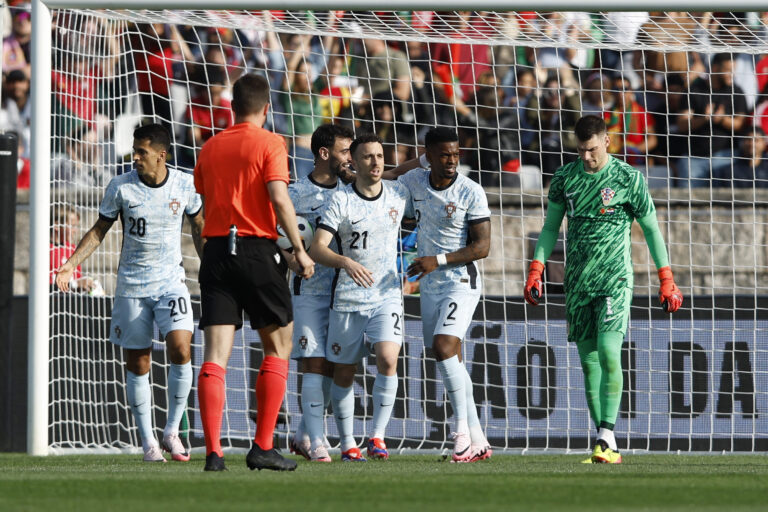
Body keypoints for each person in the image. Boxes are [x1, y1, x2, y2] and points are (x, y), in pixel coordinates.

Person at [524, 115, 684, 464]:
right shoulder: (565, 178)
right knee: (588, 362)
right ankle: (602, 441)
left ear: (607, 142)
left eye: (592, 150)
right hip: (577, 282)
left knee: (611, 352)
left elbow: (653, 231)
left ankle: (608, 437)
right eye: (580, 151)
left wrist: (666, 277)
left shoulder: (628, 179)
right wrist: (536, 269)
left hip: (615, 280)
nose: (586, 158)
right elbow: (550, 229)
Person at [54, 124, 205, 463]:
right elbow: (98, 231)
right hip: (133, 287)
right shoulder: (121, 187)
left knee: (181, 348)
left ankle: (171, 432)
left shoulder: (185, 184)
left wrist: (210, 268)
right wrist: (68, 265)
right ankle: (149, 441)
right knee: (138, 362)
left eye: (142, 153)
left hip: (171, 281)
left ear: (161, 155)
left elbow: (199, 228)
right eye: (134, 151)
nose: (135, 157)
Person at [193, 73, 314, 472]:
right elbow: (279, 198)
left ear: (231, 107)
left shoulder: (209, 146)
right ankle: (262, 446)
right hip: (257, 249)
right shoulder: (270, 142)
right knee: (278, 347)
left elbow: (206, 202)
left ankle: (213, 454)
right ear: (267, 108)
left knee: (214, 357)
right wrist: (298, 250)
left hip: (215, 252)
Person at [393, 127, 493, 463]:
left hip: (461, 281)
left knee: (444, 345)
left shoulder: (471, 191)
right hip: (429, 285)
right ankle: (479, 439)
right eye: (444, 155)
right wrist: (417, 163)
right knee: (450, 359)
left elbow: (482, 247)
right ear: (429, 156)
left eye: (456, 155)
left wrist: (436, 261)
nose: (452, 161)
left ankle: (461, 434)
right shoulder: (415, 182)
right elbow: (390, 177)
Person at [308, 133, 411, 462]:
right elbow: (317, 248)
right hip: (349, 298)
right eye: (368, 157)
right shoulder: (341, 201)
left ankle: (378, 437)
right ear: (355, 161)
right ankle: (348, 443)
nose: (376, 162)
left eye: (380, 156)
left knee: (388, 359)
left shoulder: (398, 194)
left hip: (386, 294)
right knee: (344, 372)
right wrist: (345, 261)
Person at [287, 123, 355, 463]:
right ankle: (316, 441)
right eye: (345, 151)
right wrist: (293, 260)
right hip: (309, 290)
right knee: (314, 362)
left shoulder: (352, 191)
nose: (350, 158)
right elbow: (281, 239)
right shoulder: (296, 193)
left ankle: (302, 434)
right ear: (324, 154)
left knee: (332, 364)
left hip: (346, 292)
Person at [49, 205, 95, 293]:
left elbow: (78, 280)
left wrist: (86, 285)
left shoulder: (73, 250)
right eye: (72, 226)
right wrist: (75, 284)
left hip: (72, 302)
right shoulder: (46, 251)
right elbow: (46, 287)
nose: (75, 231)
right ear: (57, 226)